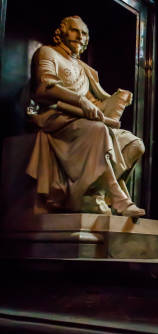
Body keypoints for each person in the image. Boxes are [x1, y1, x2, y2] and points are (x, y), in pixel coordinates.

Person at [26, 15, 145, 217]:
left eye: (84, 34)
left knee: (135, 144)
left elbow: (96, 105)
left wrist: (117, 100)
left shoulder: (85, 69)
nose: (80, 37)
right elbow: (43, 88)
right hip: (58, 120)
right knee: (98, 131)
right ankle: (118, 198)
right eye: (75, 31)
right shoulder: (48, 53)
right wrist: (80, 102)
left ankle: (89, 194)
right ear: (61, 33)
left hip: (85, 123)